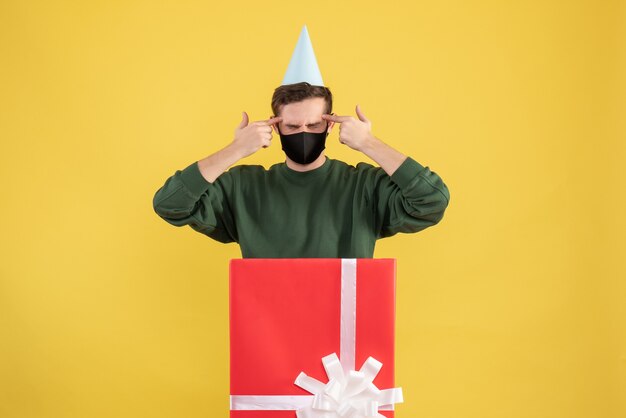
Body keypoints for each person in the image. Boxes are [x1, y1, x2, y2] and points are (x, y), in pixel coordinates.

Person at [152, 82, 450, 258]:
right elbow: (170, 204)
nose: (304, 133)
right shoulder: (242, 187)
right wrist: (236, 150)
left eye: (314, 125)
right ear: (275, 125)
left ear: (330, 125)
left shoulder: (364, 185)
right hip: (269, 339)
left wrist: (369, 144)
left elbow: (432, 201)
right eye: (292, 126)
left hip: (343, 345)